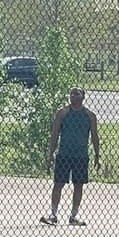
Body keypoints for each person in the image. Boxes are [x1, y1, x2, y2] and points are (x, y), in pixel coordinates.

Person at [41, 87, 100, 226]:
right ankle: (53, 214)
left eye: (77, 93)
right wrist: (50, 154)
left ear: (83, 97)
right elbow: (55, 134)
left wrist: (97, 155)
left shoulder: (89, 115)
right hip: (64, 154)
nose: (73, 96)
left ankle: (74, 216)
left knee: (78, 185)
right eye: (71, 93)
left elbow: (95, 136)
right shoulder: (62, 113)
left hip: (81, 156)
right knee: (58, 184)